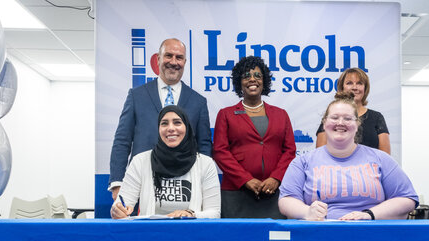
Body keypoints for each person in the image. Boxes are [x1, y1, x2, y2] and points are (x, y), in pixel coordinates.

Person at [279, 92, 417, 220]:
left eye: (347, 118)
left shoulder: (381, 159)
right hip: (319, 236)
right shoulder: (303, 162)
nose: (340, 123)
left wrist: (369, 215)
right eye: (334, 117)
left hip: (372, 236)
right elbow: (286, 200)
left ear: (357, 124)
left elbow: (407, 198)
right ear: (324, 123)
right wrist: (307, 212)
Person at [109, 38, 212, 200]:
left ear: (185, 62)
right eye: (168, 56)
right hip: (140, 183)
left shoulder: (198, 102)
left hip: (185, 186)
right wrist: (117, 182)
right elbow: (122, 140)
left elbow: (204, 146)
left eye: (179, 57)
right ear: (158, 59)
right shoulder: (136, 96)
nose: (173, 62)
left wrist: (203, 183)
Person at [213, 56, 296, 218]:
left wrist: (276, 178)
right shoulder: (226, 114)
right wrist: (245, 179)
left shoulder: (281, 114)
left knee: (273, 240)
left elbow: (290, 151)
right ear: (239, 82)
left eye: (258, 76)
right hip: (236, 193)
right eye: (246, 76)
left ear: (264, 81)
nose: (253, 79)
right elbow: (220, 152)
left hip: (273, 193)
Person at [111, 105, 220, 219]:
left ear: (187, 127)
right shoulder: (140, 161)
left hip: (190, 233)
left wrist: (190, 214)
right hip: (150, 233)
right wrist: (117, 210)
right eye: (164, 123)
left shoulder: (205, 163)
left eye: (177, 122)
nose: (171, 128)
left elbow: (214, 213)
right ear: (158, 129)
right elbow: (122, 204)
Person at [315, 68, 390, 154]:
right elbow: (320, 156)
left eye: (359, 83)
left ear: (365, 88)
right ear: (342, 87)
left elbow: (385, 158)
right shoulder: (331, 116)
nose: (354, 87)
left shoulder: (376, 117)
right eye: (349, 83)